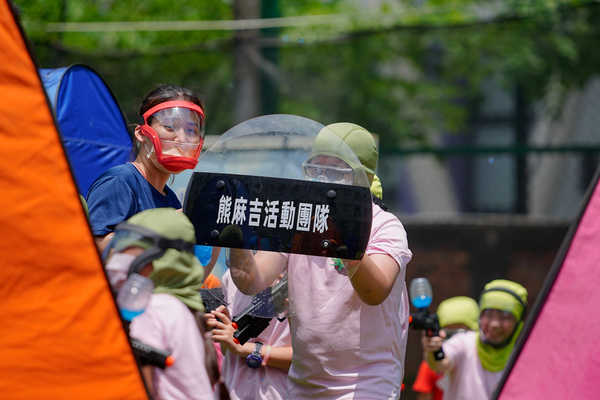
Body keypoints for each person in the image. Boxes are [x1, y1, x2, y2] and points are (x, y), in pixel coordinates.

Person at [227, 122, 413, 399]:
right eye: (316, 170)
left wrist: (349, 250)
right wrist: (236, 241)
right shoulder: (299, 222)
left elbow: (375, 291)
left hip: (367, 382)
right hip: (304, 382)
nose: (324, 179)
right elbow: (251, 281)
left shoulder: (385, 226)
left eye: (336, 171)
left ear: (363, 178)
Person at [103, 207, 229, 400]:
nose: (118, 261)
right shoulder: (180, 309)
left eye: (130, 252)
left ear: (160, 263)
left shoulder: (153, 309)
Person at [87, 84, 206, 253]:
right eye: (170, 127)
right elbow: (96, 245)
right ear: (141, 133)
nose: (182, 138)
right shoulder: (120, 181)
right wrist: (166, 227)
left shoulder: (171, 200)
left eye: (191, 130)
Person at [421, 279, 528, 400]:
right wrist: (432, 350)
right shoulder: (465, 343)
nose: (494, 324)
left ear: (518, 323)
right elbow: (439, 364)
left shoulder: (524, 361)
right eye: (488, 314)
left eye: (504, 317)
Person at [206, 267, 293, 400]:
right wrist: (225, 329)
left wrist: (247, 349)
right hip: (231, 392)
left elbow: (313, 358)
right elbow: (229, 352)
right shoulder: (232, 276)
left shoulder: (299, 278)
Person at [412, 296, 480, 400]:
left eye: (460, 333)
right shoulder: (429, 364)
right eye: (448, 334)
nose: (456, 341)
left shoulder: (483, 360)